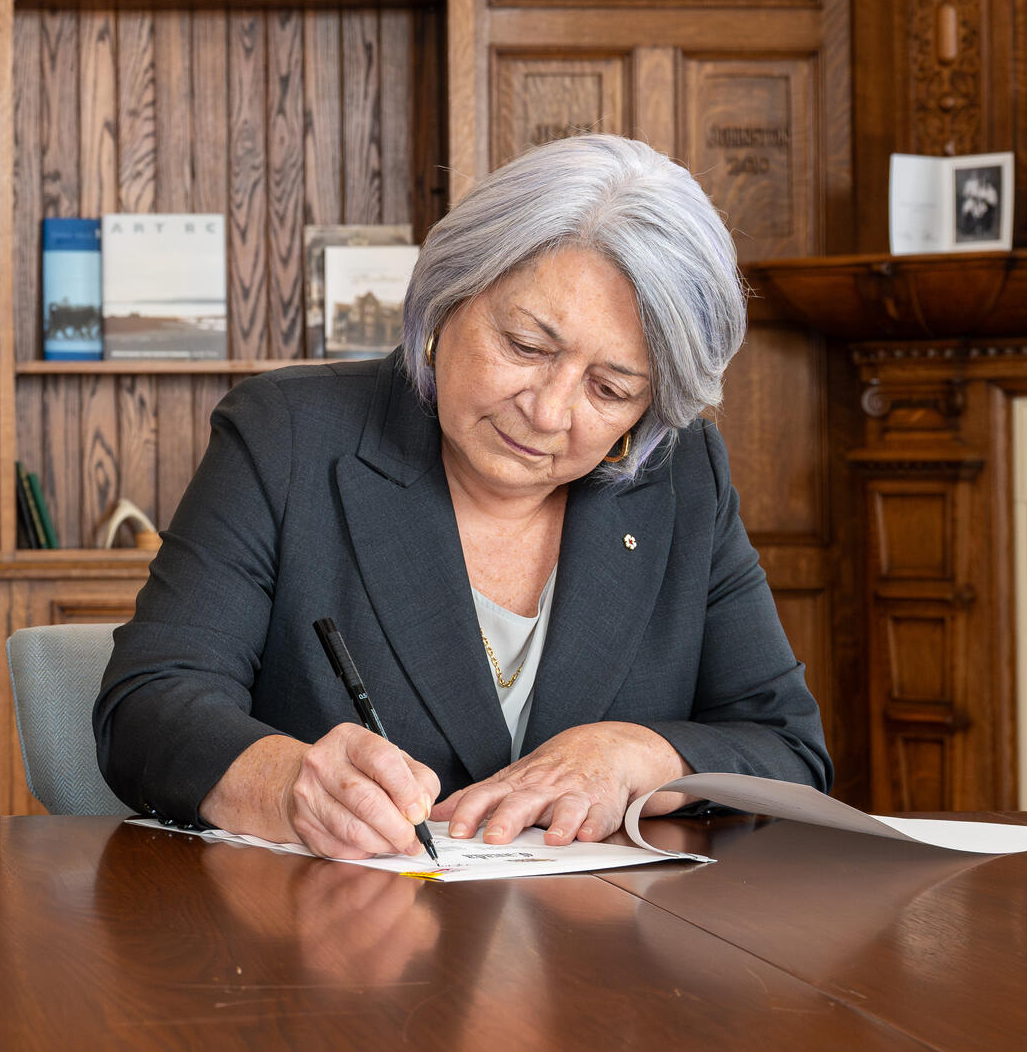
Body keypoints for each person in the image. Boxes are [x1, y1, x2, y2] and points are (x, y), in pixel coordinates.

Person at [94, 134, 831, 861]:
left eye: (609, 389)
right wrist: (284, 781)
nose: (548, 411)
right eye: (525, 346)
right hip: (329, 948)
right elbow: (149, 706)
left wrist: (636, 755)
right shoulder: (289, 437)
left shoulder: (680, 476)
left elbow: (788, 747)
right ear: (450, 296)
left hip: (597, 959)